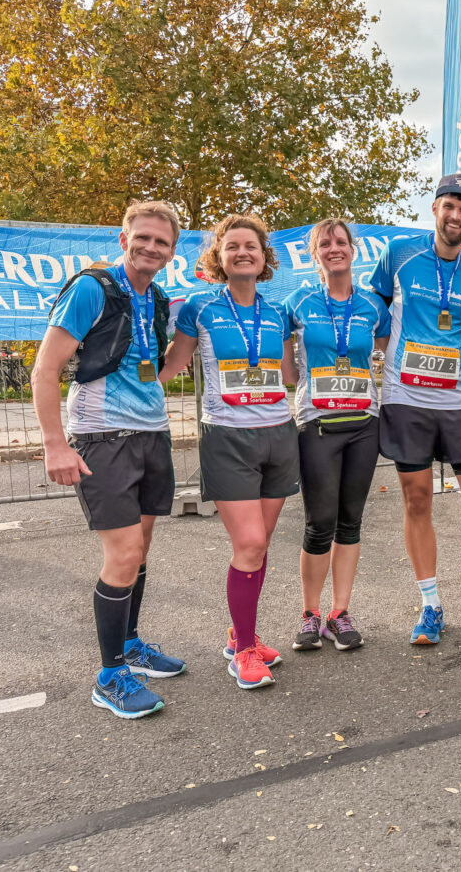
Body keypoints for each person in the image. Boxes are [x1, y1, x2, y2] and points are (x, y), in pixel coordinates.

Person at [32, 201, 186, 719]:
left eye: (161, 242)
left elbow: (153, 366)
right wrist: (56, 443)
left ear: (171, 252)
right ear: (124, 240)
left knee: (139, 552)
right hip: (101, 438)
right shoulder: (91, 289)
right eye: (142, 237)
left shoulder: (159, 299)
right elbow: (45, 368)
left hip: (150, 435)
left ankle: (132, 645)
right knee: (121, 556)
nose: (150, 247)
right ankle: (110, 674)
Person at [161, 214, 298, 690]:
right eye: (233, 246)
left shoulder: (280, 312)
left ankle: (243, 634)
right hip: (227, 437)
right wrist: (132, 392)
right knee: (250, 545)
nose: (243, 252)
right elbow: (174, 365)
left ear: (264, 258)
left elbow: (291, 376)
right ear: (217, 258)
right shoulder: (198, 307)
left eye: (252, 246)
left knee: (259, 549)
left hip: (280, 433)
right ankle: (242, 651)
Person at [370, 174, 461, 645]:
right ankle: (430, 604)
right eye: (450, 205)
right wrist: (387, 359)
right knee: (417, 499)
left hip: (459, 401)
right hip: (406, 398)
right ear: (435, 208)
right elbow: (375, 311)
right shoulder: (399, 255)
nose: (457, 216)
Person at [285, 219, 390, 652]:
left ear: (354, 249)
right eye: (324, 243)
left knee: (350, 521)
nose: (334, 248)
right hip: (318, 424)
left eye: (341, 242)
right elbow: (285, 363)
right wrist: (300, 385)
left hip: (364, 424)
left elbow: (383, 348)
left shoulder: (372, 306)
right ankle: (311, 615)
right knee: (319, 522)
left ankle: (340, 613)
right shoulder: (299, 302)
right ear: (315, 254)